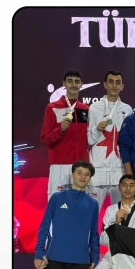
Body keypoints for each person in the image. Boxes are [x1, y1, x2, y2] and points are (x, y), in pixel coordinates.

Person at [40, 69, 90, 200]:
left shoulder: (86, 110)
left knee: (79, 206)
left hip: (81, 167)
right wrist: (60, 130)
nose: (73, 85)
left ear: (81, 85)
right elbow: (45, 139)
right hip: (59, 165)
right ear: (64, 84)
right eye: (70, 81)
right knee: (57, 205)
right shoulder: (52, 107)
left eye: (77, 82)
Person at [87, 70, 133, 208]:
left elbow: (129, 141)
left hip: (119, 171)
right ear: (105, 84)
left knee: (120, 214)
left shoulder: (127, 109)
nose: (114, 85)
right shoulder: (94, 108)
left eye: (118, 82)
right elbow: (89, 140)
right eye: (111, 82)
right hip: (98, 170)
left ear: (122, 86)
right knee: (92, 213)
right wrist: (97, 129)